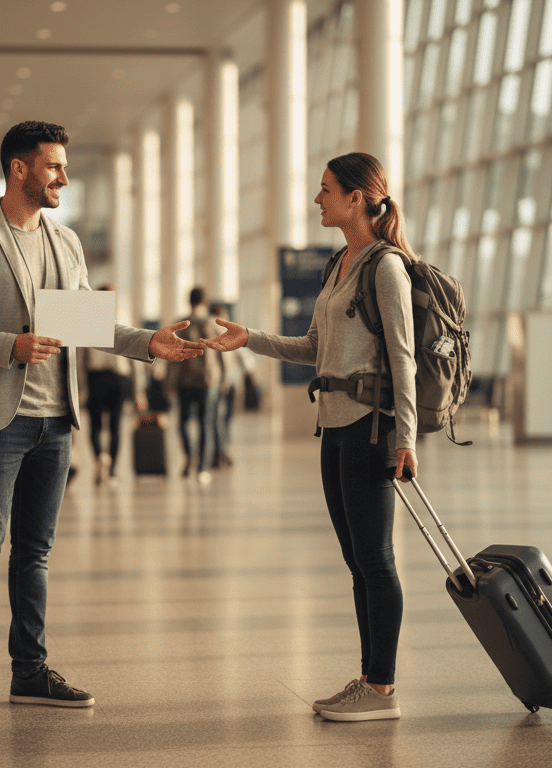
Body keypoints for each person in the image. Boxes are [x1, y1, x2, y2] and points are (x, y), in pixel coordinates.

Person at [0, 120, 204, 721]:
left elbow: (87, 324)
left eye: (63, 167)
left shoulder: (67, 242)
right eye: (53, 166)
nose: (63, 177)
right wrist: (9, 344)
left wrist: (147, 345)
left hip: (55, 420)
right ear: (18, 168)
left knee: (35, 553)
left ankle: (28, 671)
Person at [205, 152, 415, 722]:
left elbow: (403, 358)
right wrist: (249, 339)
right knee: (356, 561)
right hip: (335, 427)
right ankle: (371, 679)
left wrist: (406, 437)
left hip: (372, 430)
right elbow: (312, 350)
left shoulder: (385, 268)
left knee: (376, 559)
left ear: (356, 198)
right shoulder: (338, 266)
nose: (316, 199)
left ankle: (382, 689)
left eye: (325, 190)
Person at [166, 286, 225, 482]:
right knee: (205, 424)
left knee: (182, 423)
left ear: (188, 301)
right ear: (205, 302)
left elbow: (171, 356)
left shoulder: (180, 325)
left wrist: (169, 381)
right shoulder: (213, 323)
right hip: (209, 381)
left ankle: (190, 455)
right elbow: (223, 352)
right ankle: (202, 468)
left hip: (185, 380)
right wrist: (224, 377)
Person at [79, 283, 132, 485]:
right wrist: (138, 391)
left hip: (96, 378)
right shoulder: (123, 317)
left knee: (94, 426)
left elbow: (81, 356)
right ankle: (113, 472)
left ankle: (101, 457)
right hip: (119, 378)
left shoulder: (88, 317)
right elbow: (133, 356)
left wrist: (80, 386)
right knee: (116, 426)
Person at [208, 302, 253, 469]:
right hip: (229, 382)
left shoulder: (208, 333)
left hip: (217, 383)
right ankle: (222, 450)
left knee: (215, 419)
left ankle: (219, 451)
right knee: (224, 419)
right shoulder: (229, 333)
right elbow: (246, 359)